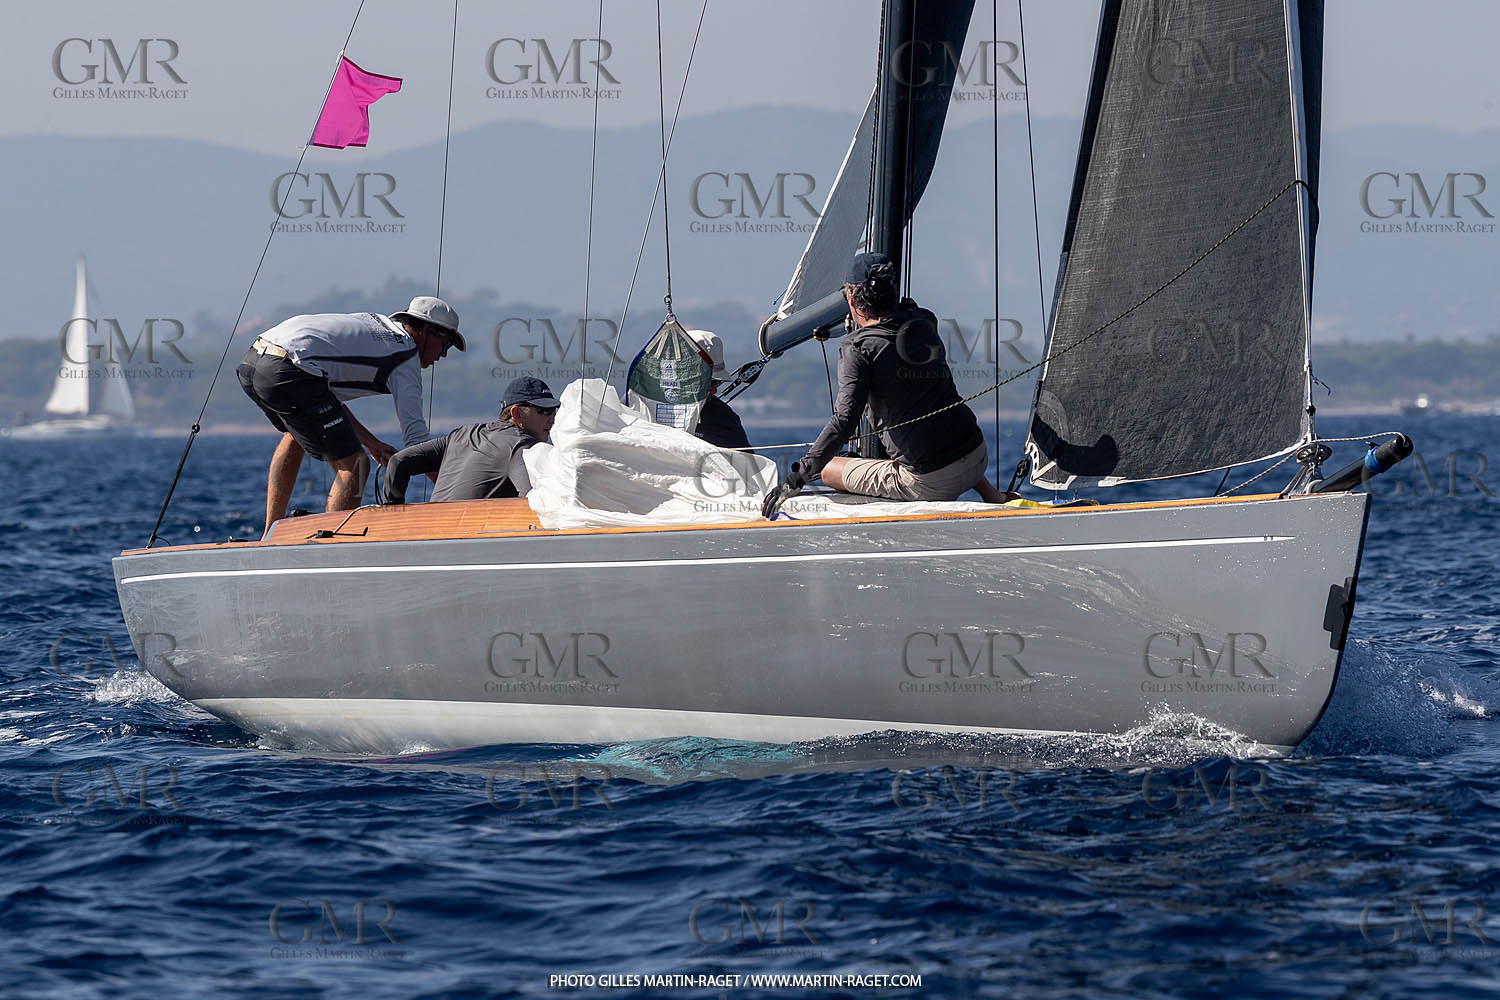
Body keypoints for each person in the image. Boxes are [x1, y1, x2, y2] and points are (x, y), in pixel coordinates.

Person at [761, 252, 1012, 517]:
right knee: (940, 423)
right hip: (977, 456)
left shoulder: (858, 349)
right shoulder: (924, 321)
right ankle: (993, 496)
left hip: (932, 483)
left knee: (829, 470)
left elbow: (844, 421)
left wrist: (797, 478)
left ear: (851, 300)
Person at [236, 295, 464, 534]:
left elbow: (326, 400)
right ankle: (330, 546)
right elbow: (417, 442)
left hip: (253, 361)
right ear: (427, 332)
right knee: (356, 465)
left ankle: (269, 533)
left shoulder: (379, 330)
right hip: (290, 369)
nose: (444, 355)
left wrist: (373, 444)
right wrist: (456, 497)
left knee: (295, 436)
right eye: (446, 345)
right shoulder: (405, 355)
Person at [382, 376, 558, 504]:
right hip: (469, 538)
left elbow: (398, 461)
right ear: (516, 413)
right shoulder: (523, 445)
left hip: (426, 533)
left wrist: (393, 514)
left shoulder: (461, 434)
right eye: (544, 411)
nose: (552, 418)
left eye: (554, 410)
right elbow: (531, 501)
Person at [685, 328, 752, 453]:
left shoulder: (724, 419)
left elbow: (748, 462)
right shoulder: (647, 406)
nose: (715, 390)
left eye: (717, 382)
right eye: (710, 382)